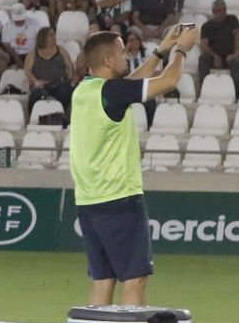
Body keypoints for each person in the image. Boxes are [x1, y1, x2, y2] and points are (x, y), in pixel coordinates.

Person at [68, 24, 197, 307]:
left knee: (103, 279)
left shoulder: (86, 91)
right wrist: (182, 50)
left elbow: (129, 87)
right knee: (135, 279)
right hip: (119, 197)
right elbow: (169, 81)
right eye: (122, 53)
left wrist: (161, 51)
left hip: (89, 200)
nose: (127, 57)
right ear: (108, 60)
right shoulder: (111, 92)